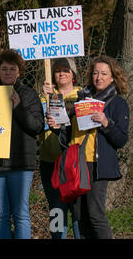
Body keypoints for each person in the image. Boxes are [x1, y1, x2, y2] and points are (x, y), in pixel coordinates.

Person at [47, 55, 129, 239]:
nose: (98, 77)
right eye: (95, 73)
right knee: (79, 215)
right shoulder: (81, 100)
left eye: (103, 74)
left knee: (95, 214)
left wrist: (106, 123)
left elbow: (121, 140)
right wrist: (58, 126)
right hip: (76, 163)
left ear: (112, 78)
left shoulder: (118, 104)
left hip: (97, 166)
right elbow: (68, 133)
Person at [0, 49, 44, 239]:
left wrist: (18, 108)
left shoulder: (29, 95)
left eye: (12, 69)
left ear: (19, 72)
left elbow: (37, 126)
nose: (8, 72)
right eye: (4, 69)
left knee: (20, 214)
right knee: (1, 214)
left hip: (21, 164)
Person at [39, 58, 81, 239]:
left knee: (78, 210)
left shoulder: (83, 96)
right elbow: (39, 123)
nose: (62, 73)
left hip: (75, 162)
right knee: (56, 209)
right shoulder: (45, 96)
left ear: (73, 75)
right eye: (58, 70)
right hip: (51, 161)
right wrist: (45, 98)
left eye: (66, 70)